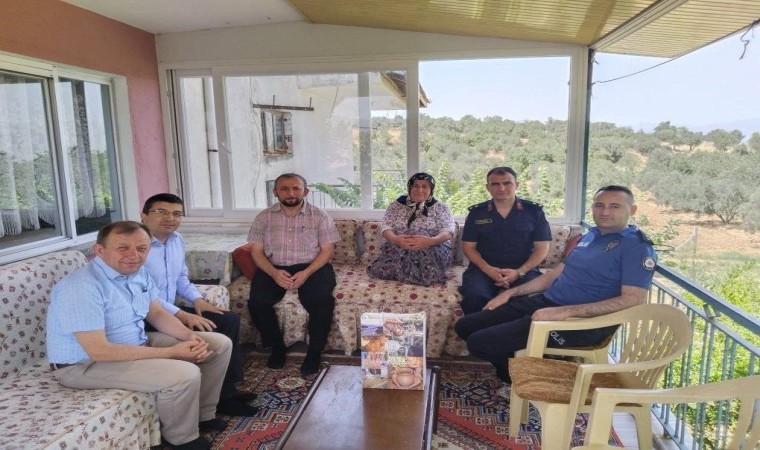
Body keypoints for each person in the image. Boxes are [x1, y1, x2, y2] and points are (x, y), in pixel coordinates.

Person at [46, 221, 232, 450]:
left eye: (142, 248)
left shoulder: (137, 272)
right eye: (123, 248)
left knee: (218, 344)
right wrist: (172, 352)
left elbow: (156, 313)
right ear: (99, 250)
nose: (134, 255)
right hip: (84, 365)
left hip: (134, 344)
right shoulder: (81, 287)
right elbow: (99, 351)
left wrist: (188, 336)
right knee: (184, 373)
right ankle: (181, 439)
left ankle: (203, 415)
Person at [454, 185, 658, 383]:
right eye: (599, 205)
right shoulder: (591, 235)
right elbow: (553, 275)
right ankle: (525, 369)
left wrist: (565, 312)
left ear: (632, 210)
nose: (604, 212)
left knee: (480, 343)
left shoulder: (637, 247)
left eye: (614, 206)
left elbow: (633, 299)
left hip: (581, 322)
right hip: (548, 302)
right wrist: (510, 293)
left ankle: (529, 382)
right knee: (466, 326)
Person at [141, 193, 257, 417]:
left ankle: (227, 391)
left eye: (176, 214)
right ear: (144, 216)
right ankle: (222, 398)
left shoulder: (176, 240)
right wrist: (182, 315)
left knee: (228, 319)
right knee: (215, 325)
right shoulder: (137, 247)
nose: (170, 218)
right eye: (161, 212)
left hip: (168, 311)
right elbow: (145, 294)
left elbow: (181, 278)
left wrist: (198, 300)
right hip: (145, 316)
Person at [247, 173, 340, 375]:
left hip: (312, 266)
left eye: (296, 188)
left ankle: (314, 353)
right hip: (274, 266)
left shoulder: (320, 216)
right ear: (275, 192)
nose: (291, 193)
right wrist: (273, 273)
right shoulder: (264, 217)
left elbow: (327, 250)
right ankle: (277, 347)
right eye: (284, 188)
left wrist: (306, 272)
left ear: (305, 191)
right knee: (257, 302)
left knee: (321, 301)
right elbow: (256, 252)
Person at [458, 166, 552, 314]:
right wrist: (488, 269)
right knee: (474, 296)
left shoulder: (534, 212)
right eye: (495, 184)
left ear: (517, 185)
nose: (501, 188)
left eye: (507, 183)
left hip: (523, 270)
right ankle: (478, 329)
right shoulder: (477, 213)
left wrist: (519, 272)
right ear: (488, 187)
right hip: (483, 270)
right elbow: (468, 247)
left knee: (529, 300)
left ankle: (511, 329)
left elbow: (542, 248)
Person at [367, 172, 455, 286]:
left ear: (431, 190)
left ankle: (410, 273)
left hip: (434, 249)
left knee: (417, 232)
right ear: (409, 188)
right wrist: (396, 240)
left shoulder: (441, 208)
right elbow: (386, 228)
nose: (420, 190)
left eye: (425, 186)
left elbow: (448, 232)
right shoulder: (396, 206)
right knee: (379, 268)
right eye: (416, 186)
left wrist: (430, 241)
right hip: (400, 248)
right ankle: (429, 275)